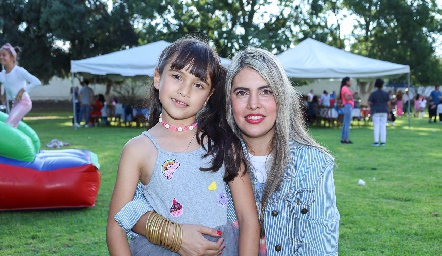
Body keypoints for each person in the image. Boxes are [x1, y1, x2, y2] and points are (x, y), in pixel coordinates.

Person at [114, 47, 340, 256]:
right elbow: (129, 210)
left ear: (281, 96)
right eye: (242, 92)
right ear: (228, 99)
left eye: (266, 91)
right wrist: (173, 234)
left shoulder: (313, 164)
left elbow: (322, 246)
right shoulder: (218, 146)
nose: (253, 104)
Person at [106, 37, 260, 256]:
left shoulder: (224, 144)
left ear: (208, 96)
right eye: (177, 76)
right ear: (158, 78)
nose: (185, 91)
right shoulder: (137, 149)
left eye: (198, 85)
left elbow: (248, 219)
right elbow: (116, 225)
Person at [0, 43, 41, 128]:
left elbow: (37, 82)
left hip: (25, 102)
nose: (1, 57)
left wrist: (22, 90)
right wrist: (3, 95)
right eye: (0, 55)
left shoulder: (19, 71)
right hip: (15, 103)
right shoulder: (2, 74)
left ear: (12, 57)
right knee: (13, 127)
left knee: (8, 124)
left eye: (4, 55)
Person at [368, 78, 390, 146]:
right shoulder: (386, 93)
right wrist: (389, 112)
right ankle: (383, 142)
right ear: (382, 85)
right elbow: (388, 103)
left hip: (376, 110)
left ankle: (376, 141)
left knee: (376, 126)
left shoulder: (373, 93)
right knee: (383, 126)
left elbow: (369, 102)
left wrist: (373, 105)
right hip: (384, 110)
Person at [340, 76, 357, 144]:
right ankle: (346, 139)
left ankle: (343, 138)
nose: (351, 82)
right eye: (350, 81)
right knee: (347, 123)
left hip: (347, 106)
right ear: (347, 82)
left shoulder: (345, 88)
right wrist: (353, 93)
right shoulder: (345, 88)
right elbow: (347, 98)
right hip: (348, 106)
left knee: (345, 123)